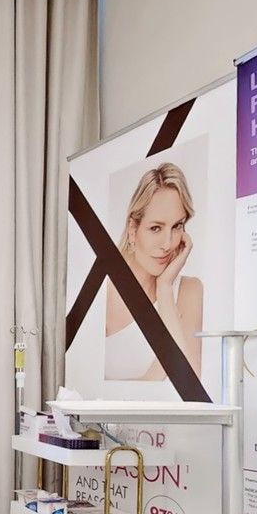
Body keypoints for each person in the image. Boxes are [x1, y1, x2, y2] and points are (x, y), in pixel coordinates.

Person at [105, 162, 203, 382]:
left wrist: (165, 289)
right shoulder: (104, 292)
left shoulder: (189, 290)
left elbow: (191, 385)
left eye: (177, 226)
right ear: (133, 229)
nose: (167, 244)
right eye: (155, 228)